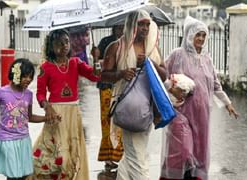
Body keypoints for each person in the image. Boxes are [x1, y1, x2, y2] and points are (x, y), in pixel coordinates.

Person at [159, 16, 239, 180]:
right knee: (183, 148)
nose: (201, 38)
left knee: (199, 148)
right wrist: (172, 89)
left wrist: (227, 104)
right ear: (189, 35)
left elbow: (216, 85)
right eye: (198, 35)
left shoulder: (207, 59)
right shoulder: (177, 55)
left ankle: (193, 177)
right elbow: (161, 75)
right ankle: (173, 176)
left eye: (204, 35)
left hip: (201, 112)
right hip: (180, 111)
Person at [101, 9, 166, 179]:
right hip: (128, 108)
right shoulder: (116, 47)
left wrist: (150, 63)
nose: (145, 28)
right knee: (137, 154)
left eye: (147, 24)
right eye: (141, 24)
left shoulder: (152, 47)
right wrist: (121, 74)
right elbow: (104, 76)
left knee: (135, 152)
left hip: (149, 108)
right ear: (131, 25)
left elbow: (164, 75)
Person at [30, 29, 100, 179]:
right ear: (51, 46)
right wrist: (47, 106)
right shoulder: (45, 67)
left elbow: (94, 77)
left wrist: (96, 61)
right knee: (60, 155)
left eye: (67, 42)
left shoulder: (76, 63)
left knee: (73, 153)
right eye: (59, 43)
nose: (64, 46)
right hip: (56, 114)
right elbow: (40, 94)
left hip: (74, 113)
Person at [96, 25, 124, 171]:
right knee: (107, 122)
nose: (122, 30)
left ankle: (120, 156)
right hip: (107, 87)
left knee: (122, 123)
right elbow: (97, 69)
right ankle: (108, 157)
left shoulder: (129, 43)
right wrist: (96, 57)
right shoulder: (105, 42)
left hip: (123, 88)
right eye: (119, 27)